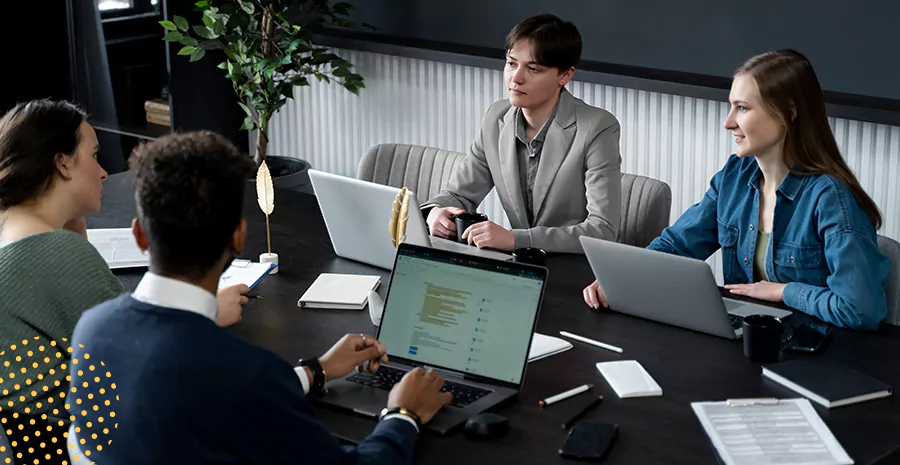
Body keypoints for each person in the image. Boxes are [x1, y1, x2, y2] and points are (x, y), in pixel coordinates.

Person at [66, 131, 452, 464]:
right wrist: (404, 414)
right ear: (238, 236)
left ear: (139, 235)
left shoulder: (91, 330)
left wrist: (314, 372)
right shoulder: (246, 374)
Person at [0, 101, 248, 464]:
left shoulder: (14, 238)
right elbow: (139, 353)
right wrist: (205, 310)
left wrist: (71, 224)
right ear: (62, 163)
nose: (103, 172)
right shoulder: (55, 251)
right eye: (94, 155)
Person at [583, 50, 889, 331]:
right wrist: (622, 279)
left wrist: (785, 291)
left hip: (815, 354)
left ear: (789, 113)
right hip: (749, 342)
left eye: (742, 108)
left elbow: (859, 309)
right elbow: (678, 244)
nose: (728, 123)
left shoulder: (830, 199)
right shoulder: (735, 176)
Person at [424, 13, 622, 254]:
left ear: (565, 75)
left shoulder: (597, 127)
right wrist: (435, 212)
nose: (515, 78)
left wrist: (516, 239)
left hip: (571, 273)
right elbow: (459, 194)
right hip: (516, 267)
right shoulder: (495, 118)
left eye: (534, 69)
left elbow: (602, 229)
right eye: (511, 63)